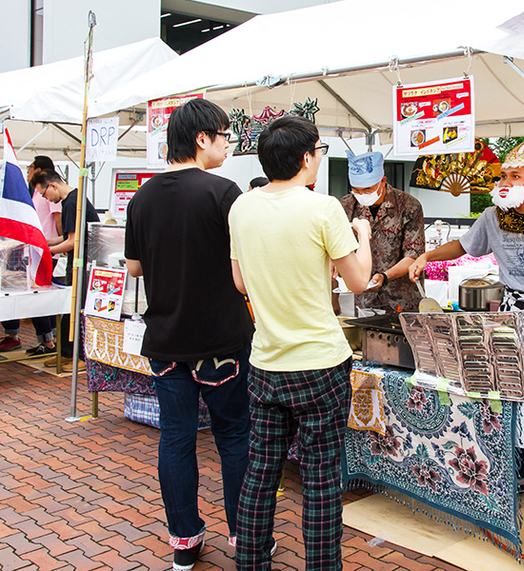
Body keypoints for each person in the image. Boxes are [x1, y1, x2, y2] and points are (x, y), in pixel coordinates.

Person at [228, 115, 372, 570]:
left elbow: (240, 282)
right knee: (321, 479)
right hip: (320, 365)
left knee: (260, 472)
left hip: (266, 361)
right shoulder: (323, 208)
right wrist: (361, 236)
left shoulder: (242, 207)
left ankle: (251, 562)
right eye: (320, 152)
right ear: (307, 157)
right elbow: (360, 279)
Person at [409, 142, 524, 493]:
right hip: (512, 313)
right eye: (504, 175)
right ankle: (518, 470)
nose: (507, 180)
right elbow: (463, 246)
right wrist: (427, 255)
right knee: (510, 391)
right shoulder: (491, 217)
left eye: (516, 175)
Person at [124, 98, 254, 571]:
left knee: (175, 438)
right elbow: (245, 266)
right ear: (202, 139)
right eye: (223, 137)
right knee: (234, 435)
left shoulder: (142, 197)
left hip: (165, 340)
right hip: (220, 338)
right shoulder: (224, 193)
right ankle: (244, 535)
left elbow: (135, 267)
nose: (227, 146)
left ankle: (184, 539)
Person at [339, 150, 424, 312]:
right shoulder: (346, 206)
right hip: (363, 299)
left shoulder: (408, 206)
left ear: (383, 181)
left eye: (367, 190)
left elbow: (414, 254)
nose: (361, 195)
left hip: (402, 297)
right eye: (356, 190)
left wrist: (385, 277)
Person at [32, 169, 99, 371]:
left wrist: (47, 250)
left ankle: (78, 355)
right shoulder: (73, 198)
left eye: (44, 195)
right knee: (69, 310)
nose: (47, 199)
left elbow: (72, 241)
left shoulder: (71, 202)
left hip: (83, 264)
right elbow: (69, 237)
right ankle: (66, 353)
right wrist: (46, 242)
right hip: (80, 262)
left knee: (77, 310)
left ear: (52, 185)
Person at [0, 156, 61, 355]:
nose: (27, 173)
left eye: (30, 168)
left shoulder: (51, 192)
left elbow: (58, 222)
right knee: (25, 292)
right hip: (31, 250)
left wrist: (58, 245)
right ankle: (42, 338)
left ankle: (49, 341)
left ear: (39, 170)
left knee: (39, 296)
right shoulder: (34, 191)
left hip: (45, 251)